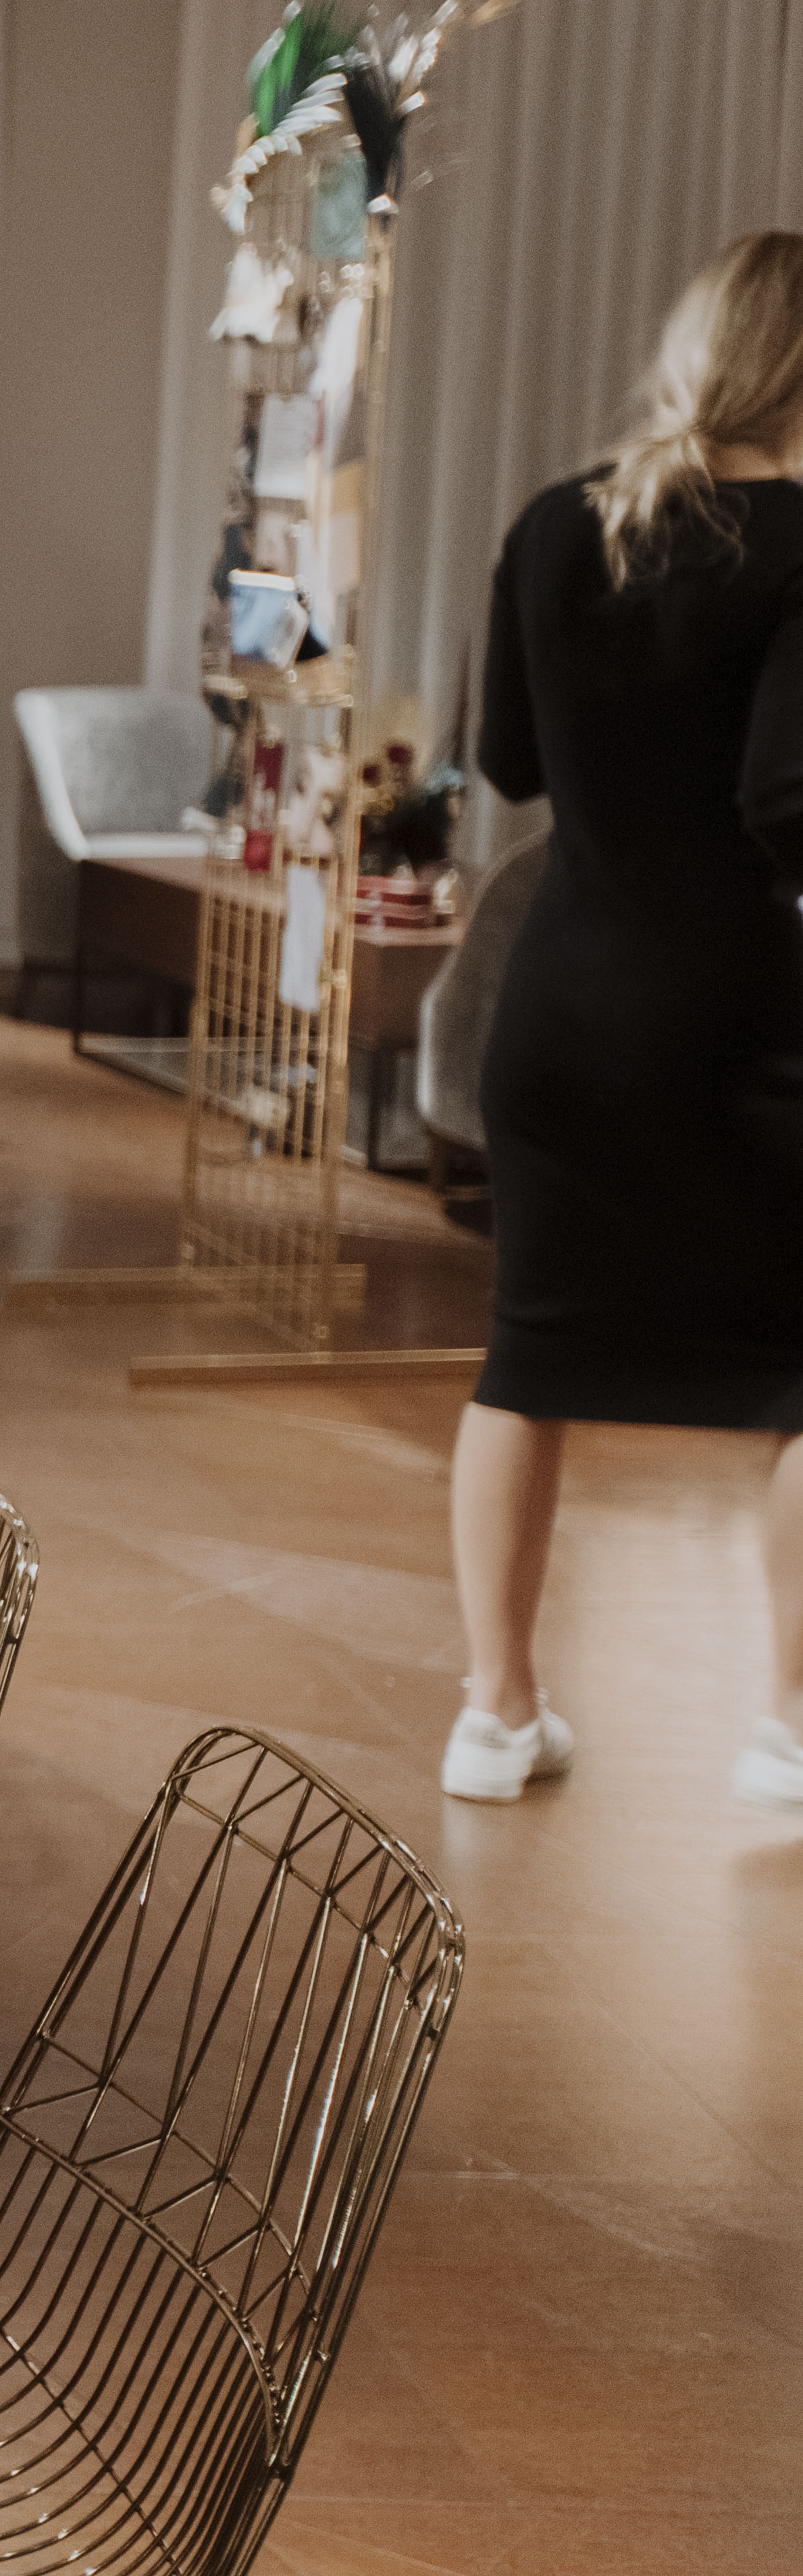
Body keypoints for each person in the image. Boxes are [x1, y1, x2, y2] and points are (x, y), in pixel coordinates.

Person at [446, 229, 803, 1809]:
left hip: (559, 1008)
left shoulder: (554, 522)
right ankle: (792, 1731)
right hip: (738, 1016)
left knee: (529, 1356)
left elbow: (508, 761)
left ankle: (497, 1718)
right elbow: (787, 794)